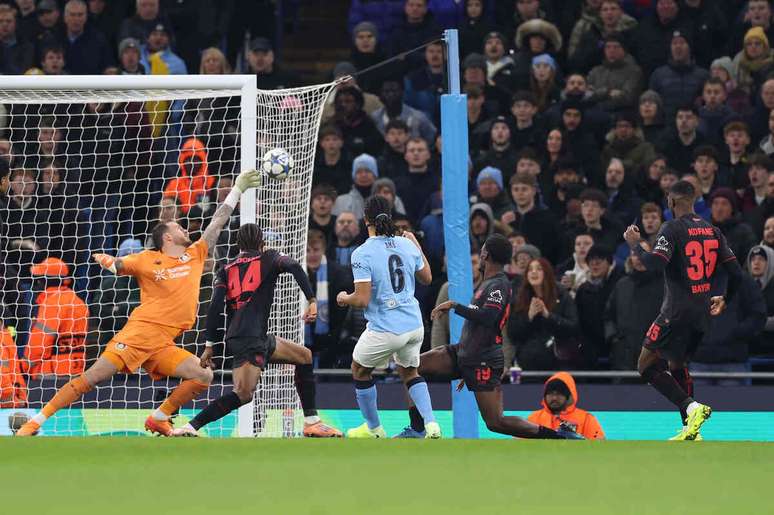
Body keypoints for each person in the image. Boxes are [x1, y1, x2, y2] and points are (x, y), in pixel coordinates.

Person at [16, 169, 263, 437]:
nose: (183, 227)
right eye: (178, 227)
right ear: (167, 238)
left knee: (203, 375)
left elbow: (217, 222)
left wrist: (237, 189)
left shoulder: (196, 254)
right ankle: (35, 422)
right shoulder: (147, 258)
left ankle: (159, 417)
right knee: (93, 377)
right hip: (138, 335)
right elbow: (120, 265)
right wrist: (107, 261)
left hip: (162, 344)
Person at [172, 224, 341, 438]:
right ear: (261, 243)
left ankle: (312, 422)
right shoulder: (269, 258)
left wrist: (209, 345)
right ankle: (190, 427)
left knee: (304, 356)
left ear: (237, 245)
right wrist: (312, 300)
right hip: (250, 340)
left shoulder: (225, 269)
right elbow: (295, 267)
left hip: (247, 337)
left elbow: (215, 308)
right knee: (243, 394)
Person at [420, 234, 582, 439]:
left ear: (486, 254)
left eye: (482, 250)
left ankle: (558, 435)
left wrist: (454, 306)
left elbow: (488, 317)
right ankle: (418, 427)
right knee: (413, 367)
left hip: (483, 359)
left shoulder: (498, 285)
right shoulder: (488, 283)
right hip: (464, 353)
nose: (479, 254)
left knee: (495, 422)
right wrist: (463, 365)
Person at [623, 179, 744, 441]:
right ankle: (692, 428)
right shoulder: (713, 231)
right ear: (695, 199)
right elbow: (737, 273)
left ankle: (692, 407)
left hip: (675, 312)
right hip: (701, 315)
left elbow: (654, 264)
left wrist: (635, 243)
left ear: (671, 201)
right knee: (677, 364)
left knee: (645, 366)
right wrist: (725, 298)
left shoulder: (672, 228)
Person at [336, 195, 440, 439]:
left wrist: (343, 298)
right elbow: (427, 278)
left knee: (360, 369)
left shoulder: (362, 253)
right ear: (390, 217)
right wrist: (416, 245)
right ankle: (432, 424)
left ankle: (374, 430)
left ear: (365, 220)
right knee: (410, 372)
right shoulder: (405, 244)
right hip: (414, 325)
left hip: (387, 327)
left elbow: (361, 299)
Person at [508, 257, 579, 371]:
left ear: (547, 273)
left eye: (539, 269)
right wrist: (528, 317)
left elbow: (573, 327)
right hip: (528, 361)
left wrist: (548, 315)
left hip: (559, 360)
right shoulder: (520, 298)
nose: (534, 272)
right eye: (530, 269)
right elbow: (512, 334)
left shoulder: (561, 294)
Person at [23, 258, 89, 378]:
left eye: (39, 278)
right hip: (76, 371)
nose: (37, 282)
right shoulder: (78, 302)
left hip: (50, 373)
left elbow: (39, 346)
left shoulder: (52, 304)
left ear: (44, 280)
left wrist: (23, 367)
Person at [527, 372, 605, 439]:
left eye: (559, 394)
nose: (554, 398)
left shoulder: (586, 419)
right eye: (550, 393)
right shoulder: (534, 418)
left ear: (569, 396)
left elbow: (599, 445)